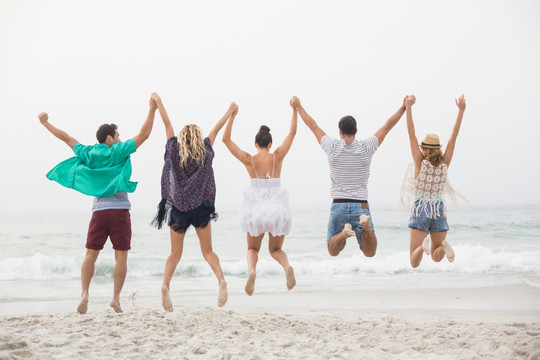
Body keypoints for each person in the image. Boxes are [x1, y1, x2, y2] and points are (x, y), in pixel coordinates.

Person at [38, 95, 157, 314]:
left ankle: (84, 293)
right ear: (109, 138)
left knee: (90, 255)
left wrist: (45, 123)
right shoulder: (118, 151)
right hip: (120, 211)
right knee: (120, 255)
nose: (121, 139)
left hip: (99, 213)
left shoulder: (88, 152)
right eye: (118, 135)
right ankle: (115, 299)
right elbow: (144, 135)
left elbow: (65, 137)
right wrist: (152, 109)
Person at [290, 95, 406, 257]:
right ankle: (365, 227)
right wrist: (403, 107)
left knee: (332, 250)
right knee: (369, 252)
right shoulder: (367, 147)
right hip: (361, 206)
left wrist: (298, 106)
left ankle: (344, 233)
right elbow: (387, 126)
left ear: (339, 131)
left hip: (339, 204)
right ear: (356, 131)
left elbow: (313, 126)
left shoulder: (332, 146)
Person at [150, 92, 231, 310]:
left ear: (182, 137)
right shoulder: (205, 151)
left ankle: (166, 285)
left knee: (175, 254)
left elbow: (166, 122)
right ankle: (221, 280)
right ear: (197, 137)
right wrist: (230, 112)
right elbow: (216, 129)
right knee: (208, 252)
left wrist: (158, 102)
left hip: (178, 208)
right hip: (200, 209)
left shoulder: (173, 149)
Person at [222, 101, 297, 296]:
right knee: (275, 250)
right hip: (277, 209)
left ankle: (252, 272)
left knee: (253, 249)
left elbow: (226, 140)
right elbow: (292, 133)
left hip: (256, 211)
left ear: (256, 144)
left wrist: (232, 116)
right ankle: (287, 267)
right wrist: (295, 110)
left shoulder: (250, 159)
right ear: (270, 144)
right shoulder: (277, 156)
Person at [402, 94, 466, 268]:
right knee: (437, 257)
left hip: (421, 208)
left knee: (414, 262)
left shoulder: (419, 162)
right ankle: (443, 247)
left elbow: (411, 133)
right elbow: (453, 137)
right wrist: (461, 111)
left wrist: (409, 108)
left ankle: (423, 248)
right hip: (439, 209)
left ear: (423, 148)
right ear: (438, 149)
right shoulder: (445, 163)